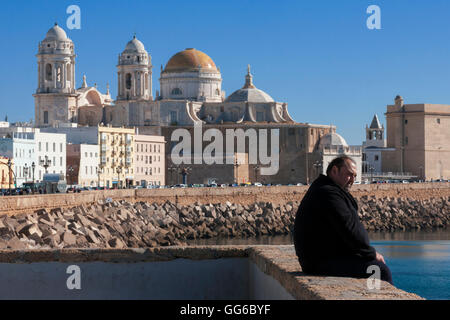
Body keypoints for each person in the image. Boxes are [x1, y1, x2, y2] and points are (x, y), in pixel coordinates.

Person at [294, 155, 393, 285]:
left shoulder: (324, 189)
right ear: (334, 171)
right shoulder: (328, 193)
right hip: (320, 263)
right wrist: (371, 253)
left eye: (355, 176)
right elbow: (349, 229)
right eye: (349, 174)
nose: (352, 180)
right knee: (380, 269)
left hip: (321, 258)